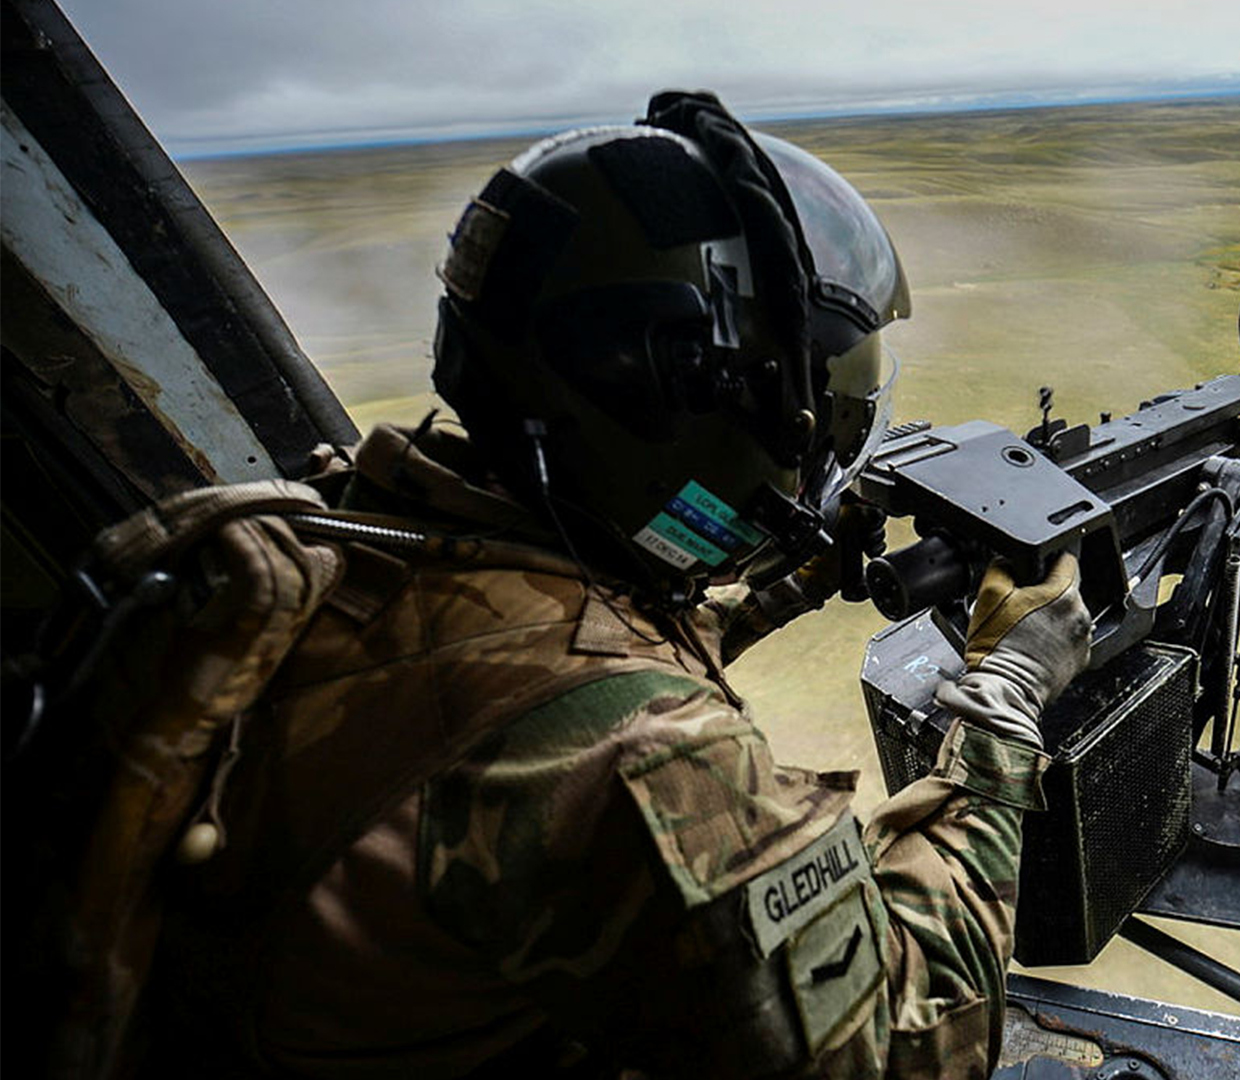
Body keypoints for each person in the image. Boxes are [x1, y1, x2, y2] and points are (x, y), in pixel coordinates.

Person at [152, 92, 1089, 1077]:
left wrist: (792, 575)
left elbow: (551, 638)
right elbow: (903, 1050)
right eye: (827, 429)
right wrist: (1002, 703)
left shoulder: (344, 532)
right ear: (697, 413)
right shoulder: (637, 753)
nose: (825, 461)